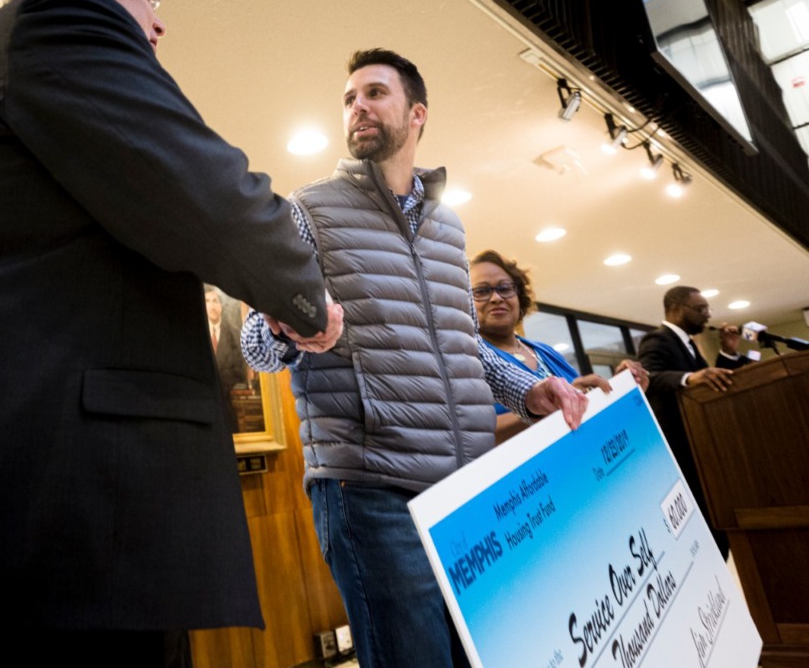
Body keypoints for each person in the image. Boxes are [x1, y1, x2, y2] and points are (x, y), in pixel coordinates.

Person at [0, 0, 343, 667]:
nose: (160, 20)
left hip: (4, 527)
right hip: (43, 532)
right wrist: (302, 293)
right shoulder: (60, 20)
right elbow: (206, 193)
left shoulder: (4, 60)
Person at [241, 48, 588, 668]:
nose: (358, 107)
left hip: (465, 485)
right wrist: (293, 325)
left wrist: (526, 390)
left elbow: (462, 342)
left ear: (417, 113)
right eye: (349, 98)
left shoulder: (448, 228)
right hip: (371, 489)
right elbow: (256, 347)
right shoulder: (307, 210)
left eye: (374, 93)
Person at [469, 249, 648, 443]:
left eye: (504, 288)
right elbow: (470, 436)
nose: (496, 298)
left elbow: (582, 402)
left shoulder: (545, 351)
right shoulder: (468, 359)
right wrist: (549, 405)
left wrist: (616, 387)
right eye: (482, 291)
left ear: (519, 296)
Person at [637, 286, 732, 558]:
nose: (707, 315)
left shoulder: (689, 344)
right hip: (681, 448)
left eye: (707, 309)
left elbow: (711, 381)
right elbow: (649, 377)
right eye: (701, 309)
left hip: (701, 444)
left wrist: (726, 354)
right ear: (678, 308)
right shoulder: (657, 339)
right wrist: (689, 378)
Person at [205, 286, 250, 431]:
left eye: (215, 301)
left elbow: (241, 371)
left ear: (221, 306)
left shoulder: (235, 334)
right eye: (208, 301)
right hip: (204, 406)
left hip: (229, 404)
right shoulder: (197, 336)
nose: (212, 306)